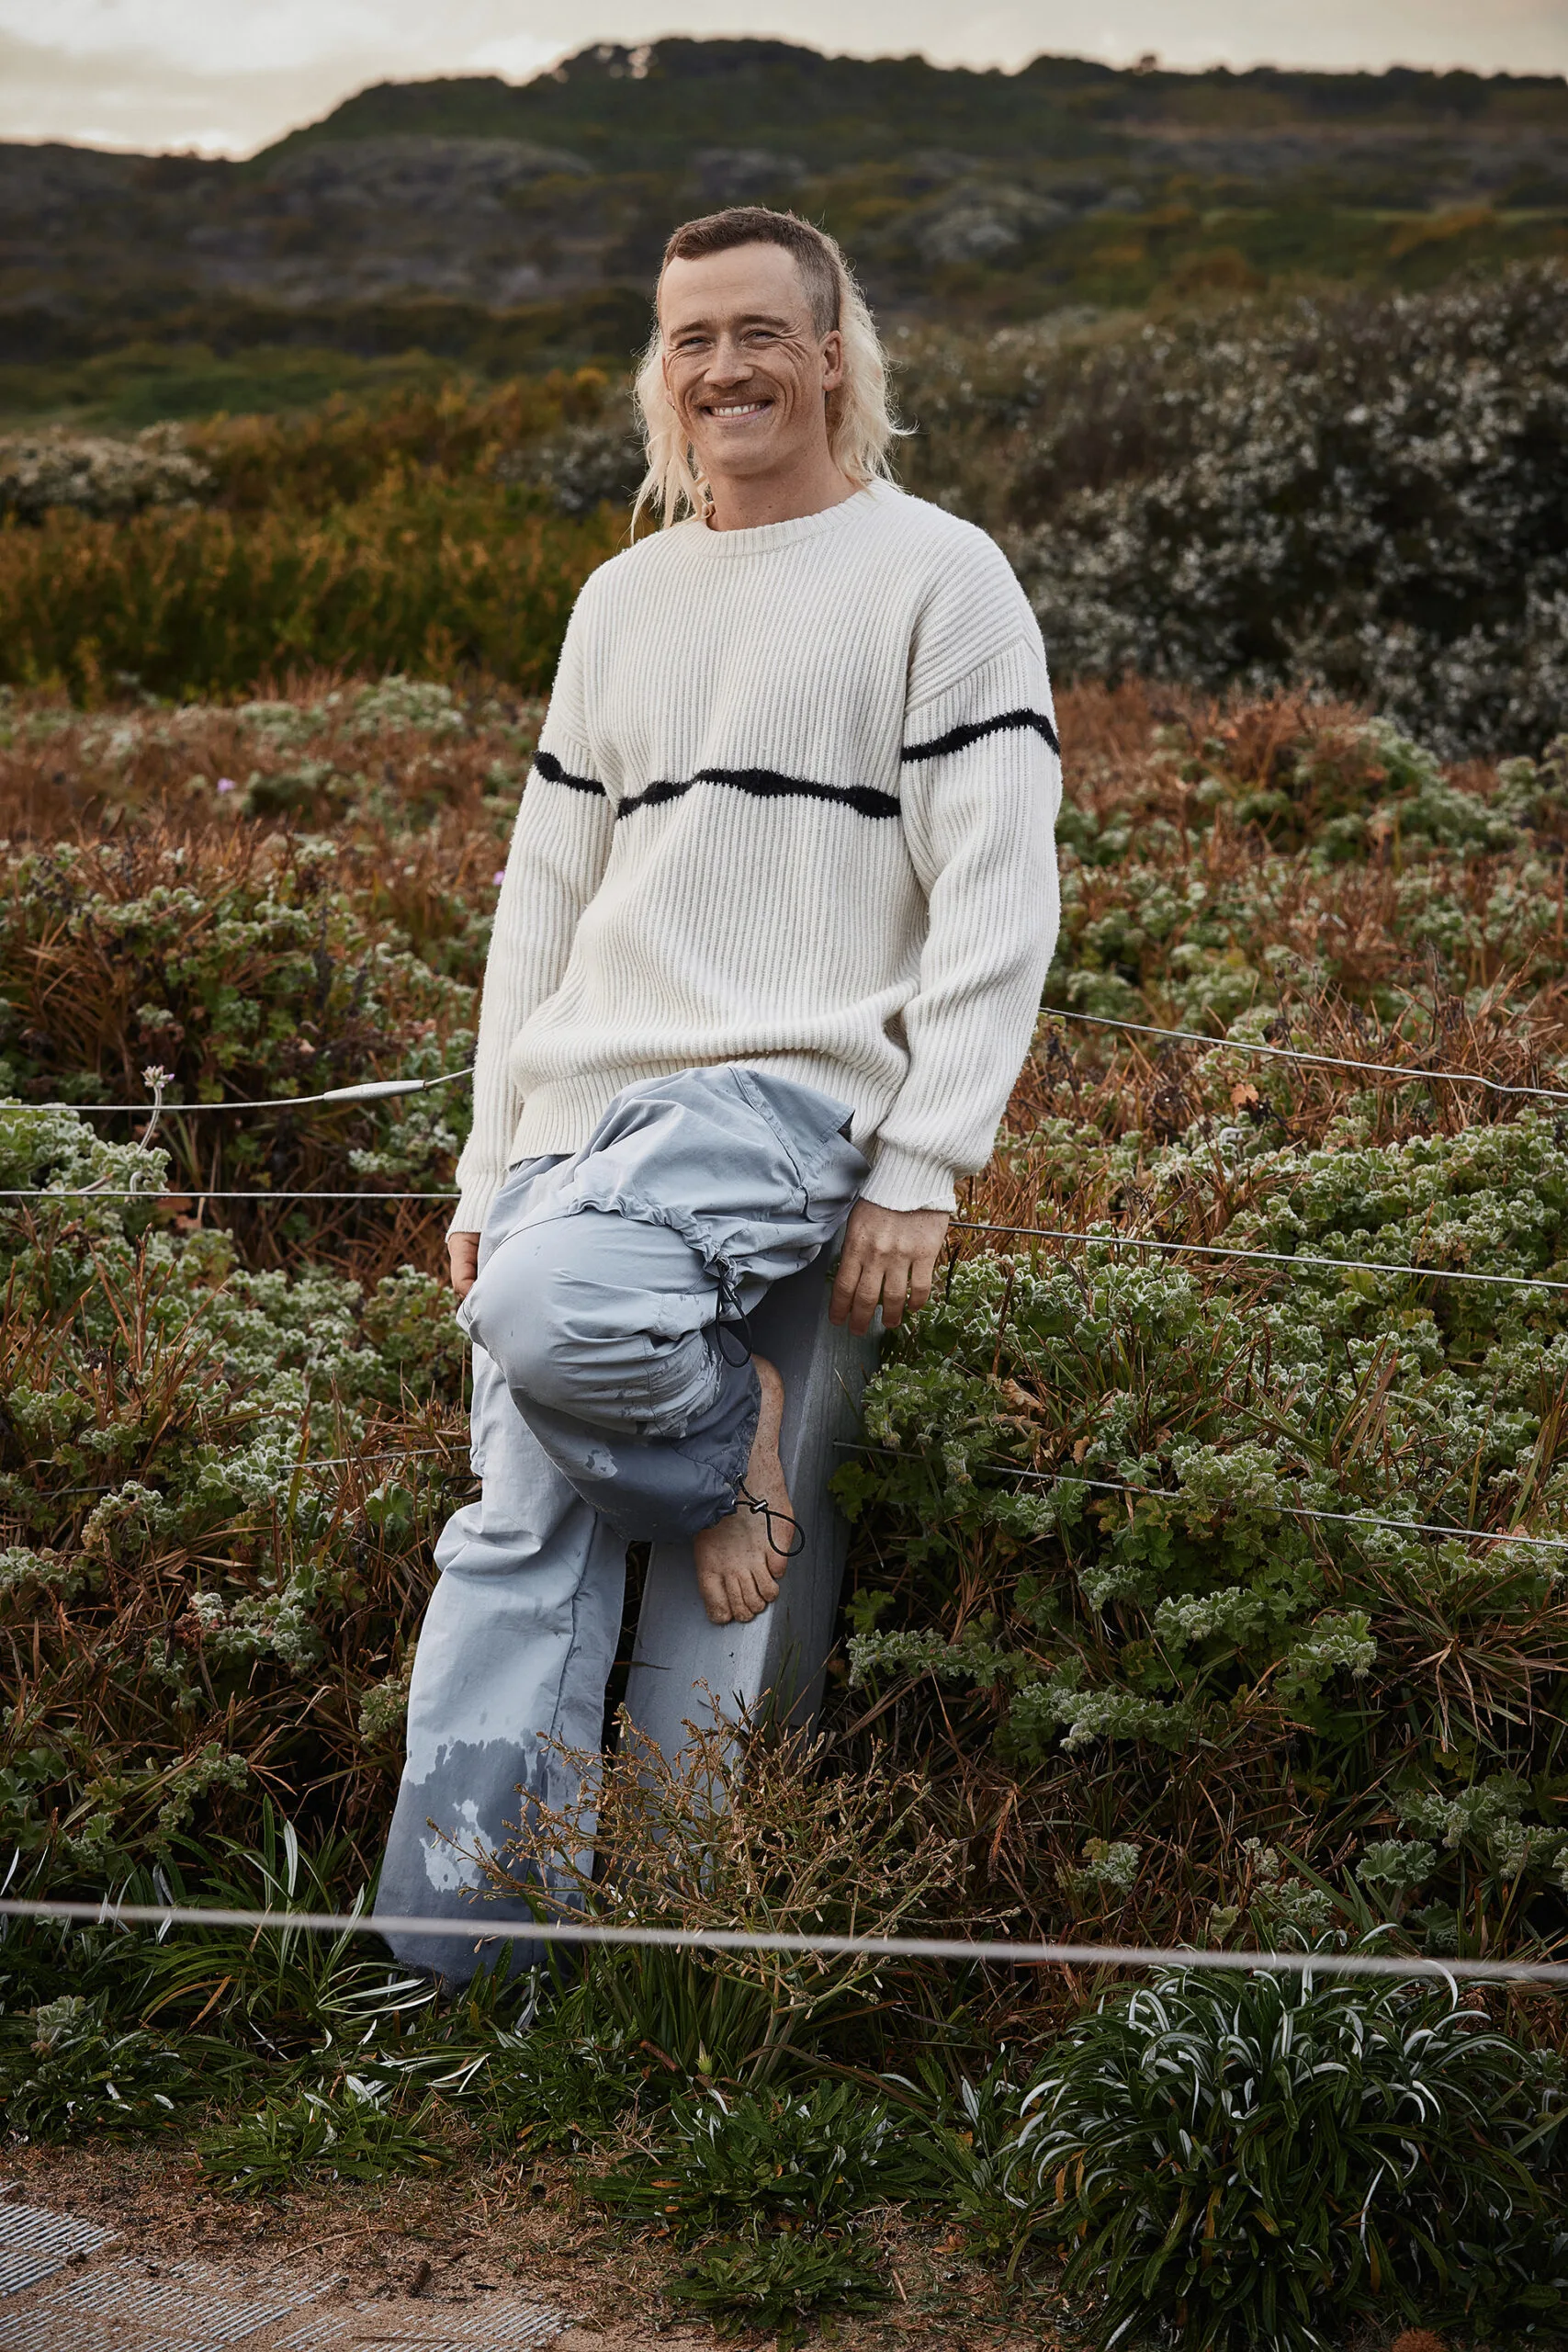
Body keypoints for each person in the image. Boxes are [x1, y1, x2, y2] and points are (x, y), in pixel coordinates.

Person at [376, 205, 1062, 1982]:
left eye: (763, 332)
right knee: (513, 1535)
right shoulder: (622, 598)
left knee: (559, 1309)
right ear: (659, 368)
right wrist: (485, 1163)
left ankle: (724, 1468)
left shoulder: (940, 574)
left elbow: (999, 887)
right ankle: (463, 1969)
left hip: (775, 1095)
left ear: (832, 356)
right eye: (692, 337)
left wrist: (926, 1158)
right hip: (575, 1112)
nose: (726, 367)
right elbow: (544, 896)